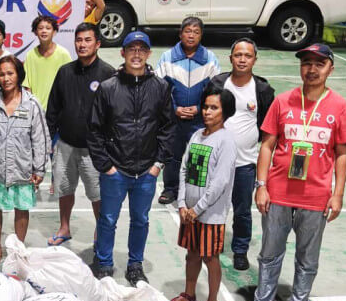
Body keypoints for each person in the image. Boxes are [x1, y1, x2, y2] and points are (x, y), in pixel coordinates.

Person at [245, 43, 346, 301]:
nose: (312, 69)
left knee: (307, 260)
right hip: (278, 193)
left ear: (331, 68)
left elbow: (342, 153)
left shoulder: (339, 106)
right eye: (306, 63)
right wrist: (261, 185)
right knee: (269, 253)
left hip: (315, 197)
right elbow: (267, 145)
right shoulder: (283, 101)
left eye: (319, 63)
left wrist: (337, 194)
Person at [87, 31, 174, 285]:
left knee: (141, 220)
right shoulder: (108, 88)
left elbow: (168, 128)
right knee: (107, 219)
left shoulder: (161, 87)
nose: (136, 54)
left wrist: (158, 164)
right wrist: (106, 166)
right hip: (116, 170)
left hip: (146, 171)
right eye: (131, 49)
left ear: (148, 54)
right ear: (122, 53)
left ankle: (135, 264)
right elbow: (94, 130)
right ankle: (103, 262)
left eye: (141, 49)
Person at [0, 55, 50, 266]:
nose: (6, 78)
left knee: (21, 207)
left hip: (23, 168)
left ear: (18, 75)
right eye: (1, 74)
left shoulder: (32, 104)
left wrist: (39, 169)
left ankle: (18, 249)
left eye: (10, 73)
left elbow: (40, 138)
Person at [46, 22, 116, 247]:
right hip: (65, 145)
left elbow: (115, 115)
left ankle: (100, 231)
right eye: (78, 40)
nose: (82, 44)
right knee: (64, 189)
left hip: (94, 150)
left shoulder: (108, 74)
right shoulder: (65, 71)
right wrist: (49, 139)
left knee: (97, 194)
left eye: (87, 40)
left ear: (98, 44)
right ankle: (64, 227)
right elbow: (53, 108)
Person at [208, 38, 275, 271]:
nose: (243, 59)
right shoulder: (217, 83)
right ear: (231, 58)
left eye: (247, 55)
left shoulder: (263, 90)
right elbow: (206, 113)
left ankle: (240, 250)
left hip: (245, 163)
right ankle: (211, 244)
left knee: (243, 211)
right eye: (238, 55)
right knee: (213, 207)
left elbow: (268, 127)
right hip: (215, 163)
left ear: (255, 59)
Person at [171, 87, 238, 301]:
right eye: (206, 106)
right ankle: (189, 294)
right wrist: (181, 204)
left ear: (225, 111)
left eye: (214, 108)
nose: (207, 111)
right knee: (192, 254)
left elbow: (220, 183)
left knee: (210, 257)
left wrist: (197, 209)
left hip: (210, 214)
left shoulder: (226, 141)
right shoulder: (197, 135)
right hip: (189, 212)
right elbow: (183, 169)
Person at [155, 17, 220, 205]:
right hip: (173, 119)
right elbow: (161, 89)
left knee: (198, 155)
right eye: (188, 31)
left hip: (200, 120)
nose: (191, 35)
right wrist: (174, 109)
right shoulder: (167, 58)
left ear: (201, 35)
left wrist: (200, 109)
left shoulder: (210, 59)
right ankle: (170, 189)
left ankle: (194, 192)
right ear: (180, 33)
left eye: (196, 32)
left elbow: (215, 91)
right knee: (172, 156)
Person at [23, 15, 72, 112]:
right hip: (35, 110)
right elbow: (27, 86)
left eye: (48, 28)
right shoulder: (30, 55)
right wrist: (32, 106)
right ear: (35, 32)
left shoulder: (63, 54)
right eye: (40, 28)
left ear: (54, 32)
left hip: (58, 110)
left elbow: (70, 83)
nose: (44, 31)